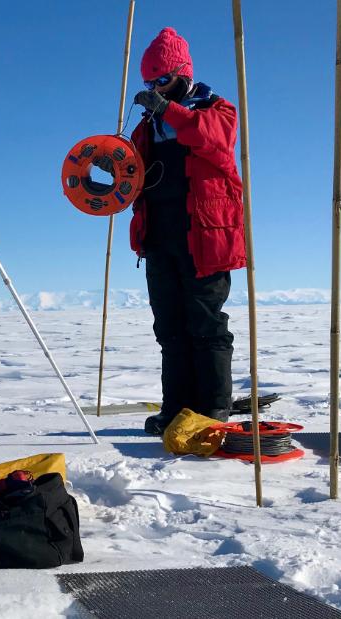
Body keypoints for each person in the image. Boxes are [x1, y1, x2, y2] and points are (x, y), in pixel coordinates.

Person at [126, 27, 246, 435]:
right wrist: (112, 167)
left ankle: (213, 408)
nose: (156, 89)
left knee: (206, 323)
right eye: (149, 84)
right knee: (170, 327)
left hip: (205, 238)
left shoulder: (217, 110)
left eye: (162, 81)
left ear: (182, 73)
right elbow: (131, 173)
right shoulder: (147, 127)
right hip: (159, 237)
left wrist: (167, 110)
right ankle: (175, 408)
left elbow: (213, 140)